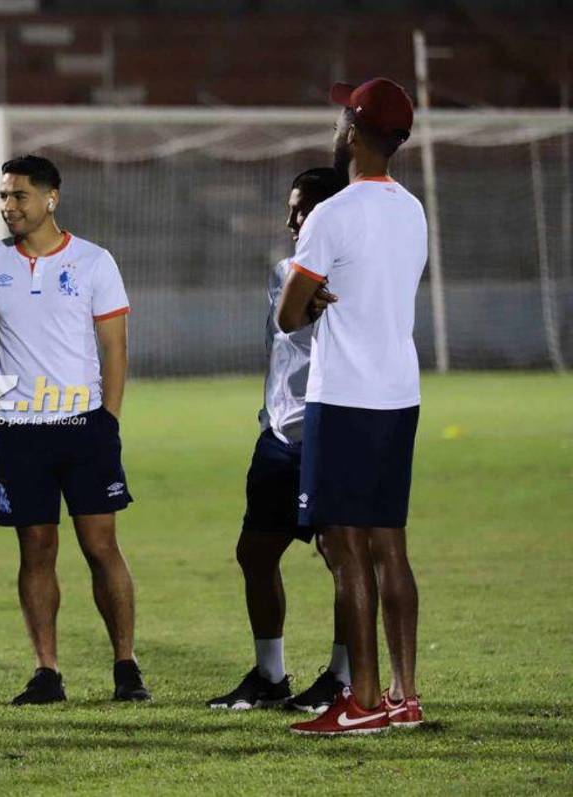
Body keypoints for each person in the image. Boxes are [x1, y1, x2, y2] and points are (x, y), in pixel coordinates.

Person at [0, 154, 149, 705]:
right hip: (21, 432)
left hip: (84, 427)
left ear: (50, 199)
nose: (9, 207)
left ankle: (126, 667)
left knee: (101, 547)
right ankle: (47, 672)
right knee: (35, 550)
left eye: (19, 197)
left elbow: (115, 344)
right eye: (4, 197)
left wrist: (108, 418)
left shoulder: (94, 262)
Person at [277, 78, 427, 735]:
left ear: (354, 130)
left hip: (342, 397)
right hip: (399, 392)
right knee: (391, 545)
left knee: (345, 550)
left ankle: (362, 701)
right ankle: (405, 693)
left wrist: (309, 294)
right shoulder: (413, 209)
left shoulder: (330, 215)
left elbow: (289, 317)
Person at [207, 167, 351, 714]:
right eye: (292, 209)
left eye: (305, 209)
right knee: (255, 551)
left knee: (342, 556)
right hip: (281, 434)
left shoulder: (355, 274)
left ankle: (342, 677)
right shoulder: (284, 271)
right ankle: (271, 677)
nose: (294, 220)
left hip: (333, 430)